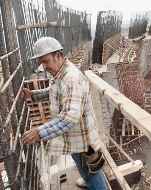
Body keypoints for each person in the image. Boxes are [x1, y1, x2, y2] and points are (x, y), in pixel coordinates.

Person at [21, 37, 107, 190]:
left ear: (58, 55)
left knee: (92, 173)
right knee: (83, 167)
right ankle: (88, 182)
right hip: (74, 138)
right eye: (41, 62)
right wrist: (34, 95)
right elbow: (55, 92)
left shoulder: (71, 79)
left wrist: (39, 132)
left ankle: (93, 184)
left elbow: (68, 118)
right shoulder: (61, 73)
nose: (44, 66)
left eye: (46, 61)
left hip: (83, 140)